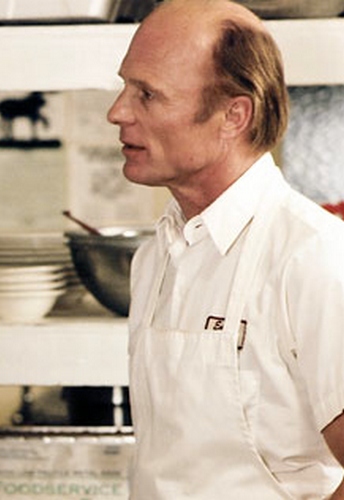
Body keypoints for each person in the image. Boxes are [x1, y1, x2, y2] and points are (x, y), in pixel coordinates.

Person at [107, 0, 344, 497]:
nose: (117, 112)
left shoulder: (313, 257)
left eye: (148, 94)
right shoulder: (157, 255)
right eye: (125, 86)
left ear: (234, 115)